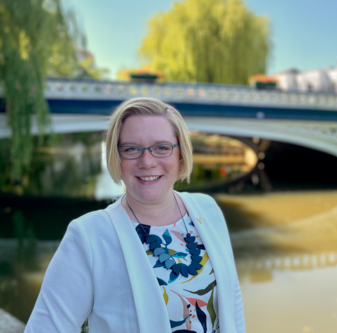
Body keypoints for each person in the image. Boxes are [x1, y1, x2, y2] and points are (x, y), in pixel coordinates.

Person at [25, 97, 245, 333]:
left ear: (180, 153)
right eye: (131, 149)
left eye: (161, 147)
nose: (147, 162)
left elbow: (232, 304)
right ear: (116, 156)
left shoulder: (208, 210)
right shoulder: (88, 237)